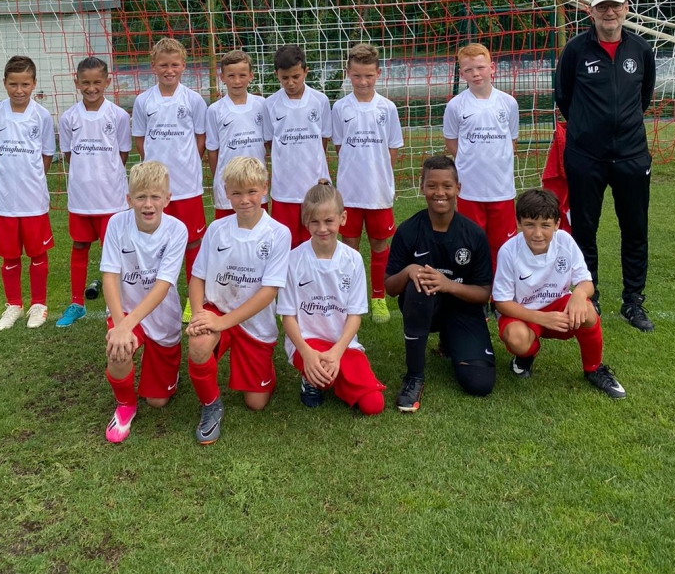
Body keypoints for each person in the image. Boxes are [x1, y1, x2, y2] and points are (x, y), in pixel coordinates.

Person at [555, 0, 656, 330]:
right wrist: (589, 129)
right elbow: (564, 96)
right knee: (584, 228)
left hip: (631, 155)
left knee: (635, 228)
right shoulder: (575, 50)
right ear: (590, 11)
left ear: (626, 8)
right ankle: (589, 296)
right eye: (602, 6)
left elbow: (644, 97)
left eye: (615, 5)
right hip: (585, 156)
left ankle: (633, 301)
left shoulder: (640, 49)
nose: (609, 12)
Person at [185, 157, 290, 445]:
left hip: (255, 323)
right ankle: (211, 405)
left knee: (256, 403)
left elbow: (268, 292)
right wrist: (199, 315)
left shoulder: (279, 233)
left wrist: (222, 322)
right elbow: (197, 277)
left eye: (252, 192)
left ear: (265, 188)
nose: (245, 200)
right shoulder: (217, 229)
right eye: (236, 193)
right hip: (217, 310)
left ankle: (264, 371)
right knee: (199, 344)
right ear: (226, 193)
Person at [386, 155, 496, 412]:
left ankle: (451, 340)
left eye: (447, 186)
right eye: (432, 185)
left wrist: (447, 284)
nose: (440, 193)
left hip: (463, 309)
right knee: (419, 284)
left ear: (458, 188)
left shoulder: (474, 234)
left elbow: (483, 294)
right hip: (425, 307)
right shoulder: (409, 230)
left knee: (479, 383)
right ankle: (414, 376)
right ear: (422, 187)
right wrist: (409, 271)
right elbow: (390, 287)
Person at [493, 188, 626, 399]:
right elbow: (502, 302)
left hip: (558, 308)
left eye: (545, 225)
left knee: (588, 312)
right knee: (517, 338)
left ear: (557, 224)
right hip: (523, 313)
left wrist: (578, 294)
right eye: (530, 224)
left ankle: (594, 368)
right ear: (518, 223)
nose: (538, 233)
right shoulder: (509, 251)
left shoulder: (565, 241)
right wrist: (542, 318)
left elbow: (586, 282)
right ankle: (526, 355)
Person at [278, 180, 385, 414]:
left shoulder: (353, 260)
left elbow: (355, 315)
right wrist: (306, 353)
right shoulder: (293, 260)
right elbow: (288, 317)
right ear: (305, 221)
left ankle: (332, 376)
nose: (322, 228)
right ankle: (312, 378)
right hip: (307, 344)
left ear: (342, 218)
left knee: (373, 405)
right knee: (321, 375)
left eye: (329, 221)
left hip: (343, 345)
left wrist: (336, 354)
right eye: (314, 222)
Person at [100, 161, 188, 443]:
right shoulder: (116, 224)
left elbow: (163, 286)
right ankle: (125, 405)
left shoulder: (177, 230)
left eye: (155, 197)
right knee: (119, 349)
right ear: (129, 199)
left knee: (158, 401)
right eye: (140, 197)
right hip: (125, 311)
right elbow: (110, 276)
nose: (148, 204)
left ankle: (165, 374)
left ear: (167, 199)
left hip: (162, 316)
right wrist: (120, 325)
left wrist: (126, 325)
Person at [132, 37, 207, 322]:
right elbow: (140, 140)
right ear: (153, 66)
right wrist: (154, 173)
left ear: (183, 66)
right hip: (155, 190)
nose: (169, 70)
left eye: (175, 64)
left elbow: (200, 138)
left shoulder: (193, 100)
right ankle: (156, 298)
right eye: (163, 65)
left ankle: (193, 300)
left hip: (187, 187)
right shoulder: (143, 101)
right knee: (155, 242)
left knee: (192, 243)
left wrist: (187, 163)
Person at [55, 56, 132, 326]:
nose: (91, 88)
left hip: (111, 199)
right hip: (81, 198)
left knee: (115, 252)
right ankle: (77, 303)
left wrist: (104, 175)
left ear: (107, 82)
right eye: (85, 82)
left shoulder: (118, 116)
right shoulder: (68, 117)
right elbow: (69, 154)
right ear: (77, 83)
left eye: (97, 82)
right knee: (79, 246)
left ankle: (115, 305)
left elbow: (122, 153)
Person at [0, 55, 56, 330]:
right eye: (13, 84)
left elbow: (47, 155)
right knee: (9, 255)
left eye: (25, 84)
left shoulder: (42, 116)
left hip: (33, 199)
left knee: (38, 254)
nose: (19, 90)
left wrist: (30, 179)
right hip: (4, 200)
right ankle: (14, 304)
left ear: (34, 83)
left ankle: (39, 305)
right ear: (5, 83)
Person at [331, 43, 403, 324]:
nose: (363, 82)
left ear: (378, 74)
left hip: (378, 191)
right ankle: (350, 298)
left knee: (378, 243)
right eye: (357, 75)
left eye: (369, 76)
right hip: (349, 192)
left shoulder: (387, 108)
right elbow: (340, 147)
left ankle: (378, 297)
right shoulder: (340, 107)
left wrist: (380, 175)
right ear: (348, 73)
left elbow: (393, 148)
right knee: (348, 246)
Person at [442, 43, 519, 275]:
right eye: (469, 70)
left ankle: (500, 291)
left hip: (502, 190)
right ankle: (474, 289)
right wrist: (469, 162)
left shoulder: (508, 103)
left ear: (492, 68)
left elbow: (511, 141)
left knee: (503, 247)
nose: (475, 74)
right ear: (462, 73)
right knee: (470, 244)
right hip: (470, 190)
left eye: (480, 67)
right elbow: (452, 142)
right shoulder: (455, 105)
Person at [263, 44, 331, 249]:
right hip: (284, 189)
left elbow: (323, 139)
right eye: (285, 78)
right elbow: (269, 142)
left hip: (314, 186)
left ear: (305, 72)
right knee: (286, 244)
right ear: (276, 75)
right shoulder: (270, 104)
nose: (290, 83)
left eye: (296, 76)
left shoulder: (320, 100)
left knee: (316, 241)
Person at [206, 49, 270, 220]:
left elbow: (268, 143)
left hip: (256, 182)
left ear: (251, 76)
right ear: (222, 77)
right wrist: (221, 178)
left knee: (258, 229)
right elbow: (212, 151)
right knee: (227, 230)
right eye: (231, 76)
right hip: (229, 185)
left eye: (242, 75)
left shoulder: (262, 105)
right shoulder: (214, 110)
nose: (237, 81)